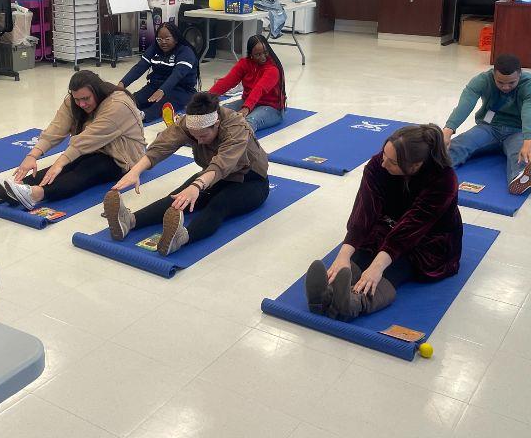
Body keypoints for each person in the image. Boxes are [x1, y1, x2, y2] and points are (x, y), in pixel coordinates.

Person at [304, 124, 463, 320]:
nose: (383, 163)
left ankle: (352, 304)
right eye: (384, 155)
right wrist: (343, 256)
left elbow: (410, 229)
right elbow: (364, 211)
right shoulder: (379, 163)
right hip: (390, 224)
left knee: (394, 267)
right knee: (362, 252)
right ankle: (325, 296)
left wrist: (377, 267)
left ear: (415, 166)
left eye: (392, 162)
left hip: (429, 237)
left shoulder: (443, 180)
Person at [103, 92, 270, 256]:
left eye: (203, 135)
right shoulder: (190, 124)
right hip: (213, 178)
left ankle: (182, 238)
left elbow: (223, 163)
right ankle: (129, 221)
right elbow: (162, 145)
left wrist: (197, 186)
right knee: (177, 198)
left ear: (217, 124)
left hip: (251, 181)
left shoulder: (236, 128)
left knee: (219, 205)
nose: (198, 141)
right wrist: (135, 171)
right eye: (194, 136)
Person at [0, 70, 146, 210]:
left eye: (86, 99)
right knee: (62, 168)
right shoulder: (74, 100)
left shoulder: (118, 105)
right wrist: (32, 155)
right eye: (77, 99)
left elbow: (86, 139)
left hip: (123, 157)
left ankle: (36, 194)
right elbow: (56, 129)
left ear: (97, 91)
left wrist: (60, 162)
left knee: (87, 169)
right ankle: (20, 187)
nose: (81, 104)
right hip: (94, 148)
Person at [442, 53, 531, 195]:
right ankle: (437, 166)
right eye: (500, 82)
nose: (506, 87)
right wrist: (448, 130)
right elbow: (465, 104)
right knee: (461, 143)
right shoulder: (482, 80)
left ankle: (520, 178)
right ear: (493, 75)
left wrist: (528, 140)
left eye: (511, 83)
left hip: (518, 130)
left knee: (521, 155)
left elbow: (529, 111)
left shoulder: (528, 84)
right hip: (489, 127)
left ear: (520, 75)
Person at [117, 22, 198, 121]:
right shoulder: (155, 48)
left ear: (176, 39)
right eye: (159, 39)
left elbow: (177, 74)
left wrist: (162, 90)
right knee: (132, 100)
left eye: (167, 39)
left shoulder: (186, 52)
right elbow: (140, 67)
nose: (163, 42)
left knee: (162, 105)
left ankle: (142, 116)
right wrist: (122, 84)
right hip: (155, 86)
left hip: (180, 89)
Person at [209, 34, 286, 132]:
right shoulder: (244, 63)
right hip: (248, 102)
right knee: (218, 113)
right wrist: (206, 98)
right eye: (258, 54)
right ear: (251, 54)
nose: (263, 57)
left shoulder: (273, 69)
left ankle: (233, 141)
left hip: (272, 108)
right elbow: (227, 82)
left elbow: (259, 89)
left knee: (248, 122)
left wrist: (246, 108)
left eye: (265, 52)